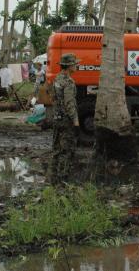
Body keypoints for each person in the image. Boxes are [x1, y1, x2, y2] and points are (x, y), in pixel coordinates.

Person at [48, 53, 80, 184]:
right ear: (69, 66)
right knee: (67, 150)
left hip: (56, 118)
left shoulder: (57, 79)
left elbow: (53, 98)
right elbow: (69, 103)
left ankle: (52, 177)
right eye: (75, 64)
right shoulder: (68, 82)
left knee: (56, 149)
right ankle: (63, 178)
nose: (77, 66)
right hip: (66, 120)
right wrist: (75, 120)